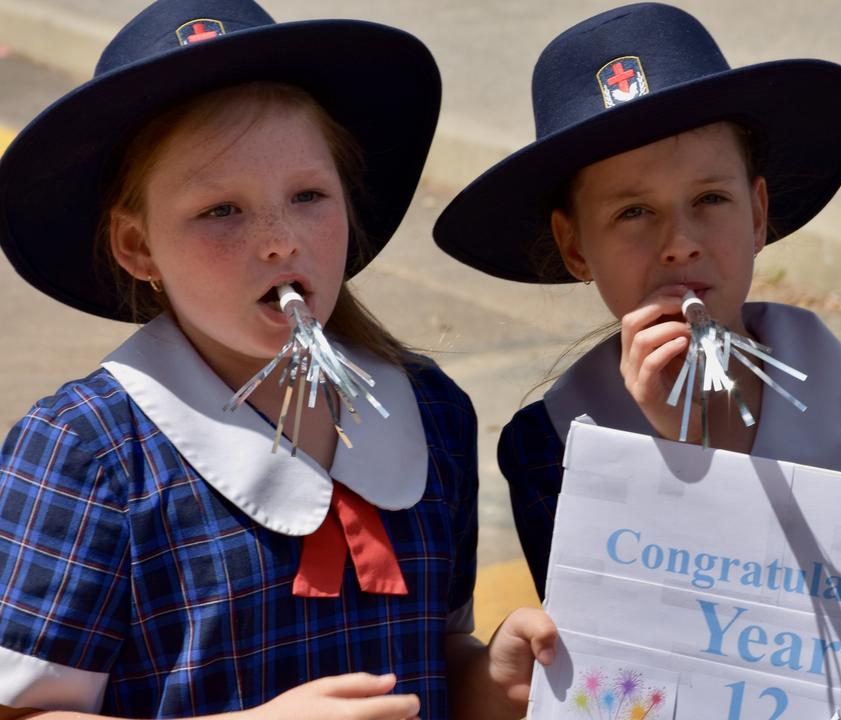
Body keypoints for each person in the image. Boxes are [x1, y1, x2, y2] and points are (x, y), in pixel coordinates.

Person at [0, 0, 554, 716]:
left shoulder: (430, 410)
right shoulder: (86, 451)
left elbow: (431, 653)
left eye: (308, 195)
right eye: (220, 211)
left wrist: (492, 680)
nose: (279, 240)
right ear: (138, 247)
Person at [433, 2, 841, 601]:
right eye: (633, 212)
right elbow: (621, 670)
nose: (679, 244)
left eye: (710, 199)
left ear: (757, 215)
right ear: (574, 247)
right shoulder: (551, 445)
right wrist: (684, 457)